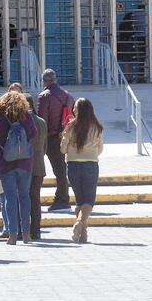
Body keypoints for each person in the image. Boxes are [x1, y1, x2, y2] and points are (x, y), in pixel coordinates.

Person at [0, 90, 37, 245]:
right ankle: (27, 234)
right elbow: (33, 133)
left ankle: (12, 234)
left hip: (6, 162)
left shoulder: (0, 117)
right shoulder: (27, 117)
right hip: (24, 162)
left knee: (9, 197)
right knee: (24, 196)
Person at [61, 98, 104, 243]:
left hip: (73, 165)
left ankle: (83, 233)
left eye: (75, 108)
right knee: (89, 200)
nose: (73, 110)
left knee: (80, 200)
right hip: (91, 165)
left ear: (78, 110)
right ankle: (80, 224)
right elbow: (100, 149)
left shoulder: (70, 126)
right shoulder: (97, 127)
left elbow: (62, 148)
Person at [36, 68, 74, 211]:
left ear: (44, 81)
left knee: (40, 169)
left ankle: (62, 200)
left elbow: (42, 121)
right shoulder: (68, 96)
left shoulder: (44, 96)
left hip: (49, 138)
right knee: (61, 170)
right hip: (63, 136)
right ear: (55, 79)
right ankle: (62, 198)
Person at [25, 92, 47, 240]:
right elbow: (45, 146)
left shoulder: (22, 122)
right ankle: (36, 230)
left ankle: (25, 229)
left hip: (24, 164)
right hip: (39, 163)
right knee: (35, 199)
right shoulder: (42, 121)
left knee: (24, 198)